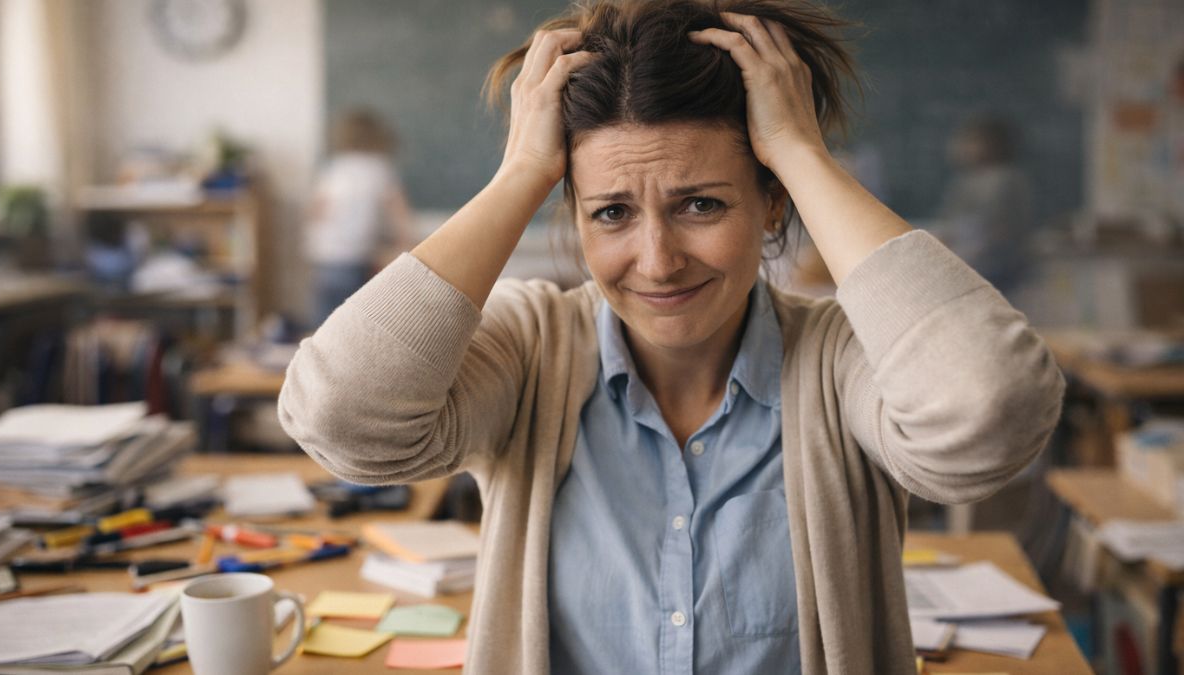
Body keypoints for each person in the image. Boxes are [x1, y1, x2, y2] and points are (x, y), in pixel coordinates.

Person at [279, 2, 1064, 673]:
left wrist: (798, 152)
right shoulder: (531, 346)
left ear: (773, 208)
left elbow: (991, 410)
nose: (657, 262)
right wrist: (521, 172)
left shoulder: (839, 359)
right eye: (612, 212)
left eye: (701, 205)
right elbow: (341, 421)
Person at [304, 108, 415, 327]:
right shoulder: (379, 168)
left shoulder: (334, 168)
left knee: (323, 325)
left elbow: (316, 211)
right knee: (355, 324)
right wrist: (409, 245)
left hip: (325, 256)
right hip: (356, 258)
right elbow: (399, 212)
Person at [937, 113, 1034, 296]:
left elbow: (991, 230)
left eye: (973, 140)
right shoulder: (965, 181)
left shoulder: (1004, 180)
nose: (965, 146)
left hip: (995, 268)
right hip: (971, 263)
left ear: (992, 143)